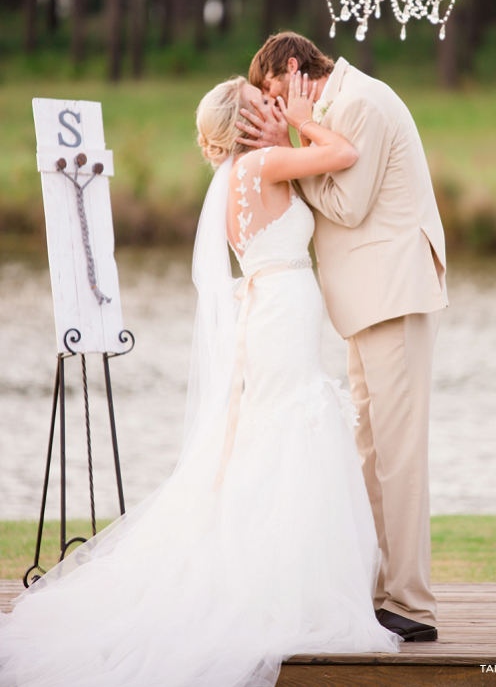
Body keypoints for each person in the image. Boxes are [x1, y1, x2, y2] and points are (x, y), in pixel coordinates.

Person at [0, 73, 399, 687]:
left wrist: (283, 126)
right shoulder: (265, 163)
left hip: (271, 312)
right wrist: (299, 119)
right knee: (294, 427)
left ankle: (272, 572)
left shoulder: (234, 178)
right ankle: (284, 586)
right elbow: (344, 154)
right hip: (281, 310)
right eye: (259, 100)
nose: (271, 102)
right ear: (244, 123)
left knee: (276, 432)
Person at [238, 32, 448, 642]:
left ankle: (412, 602)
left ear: (294, 70)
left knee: (399, 454)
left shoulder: (359, 103)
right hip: (367, 301)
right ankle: (380, 591)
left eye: (272, 94)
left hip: (394, 293)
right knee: (372, 450)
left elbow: (348, 206)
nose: (273, 110)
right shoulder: (338, 107)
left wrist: (292, 146)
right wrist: (298, 141)